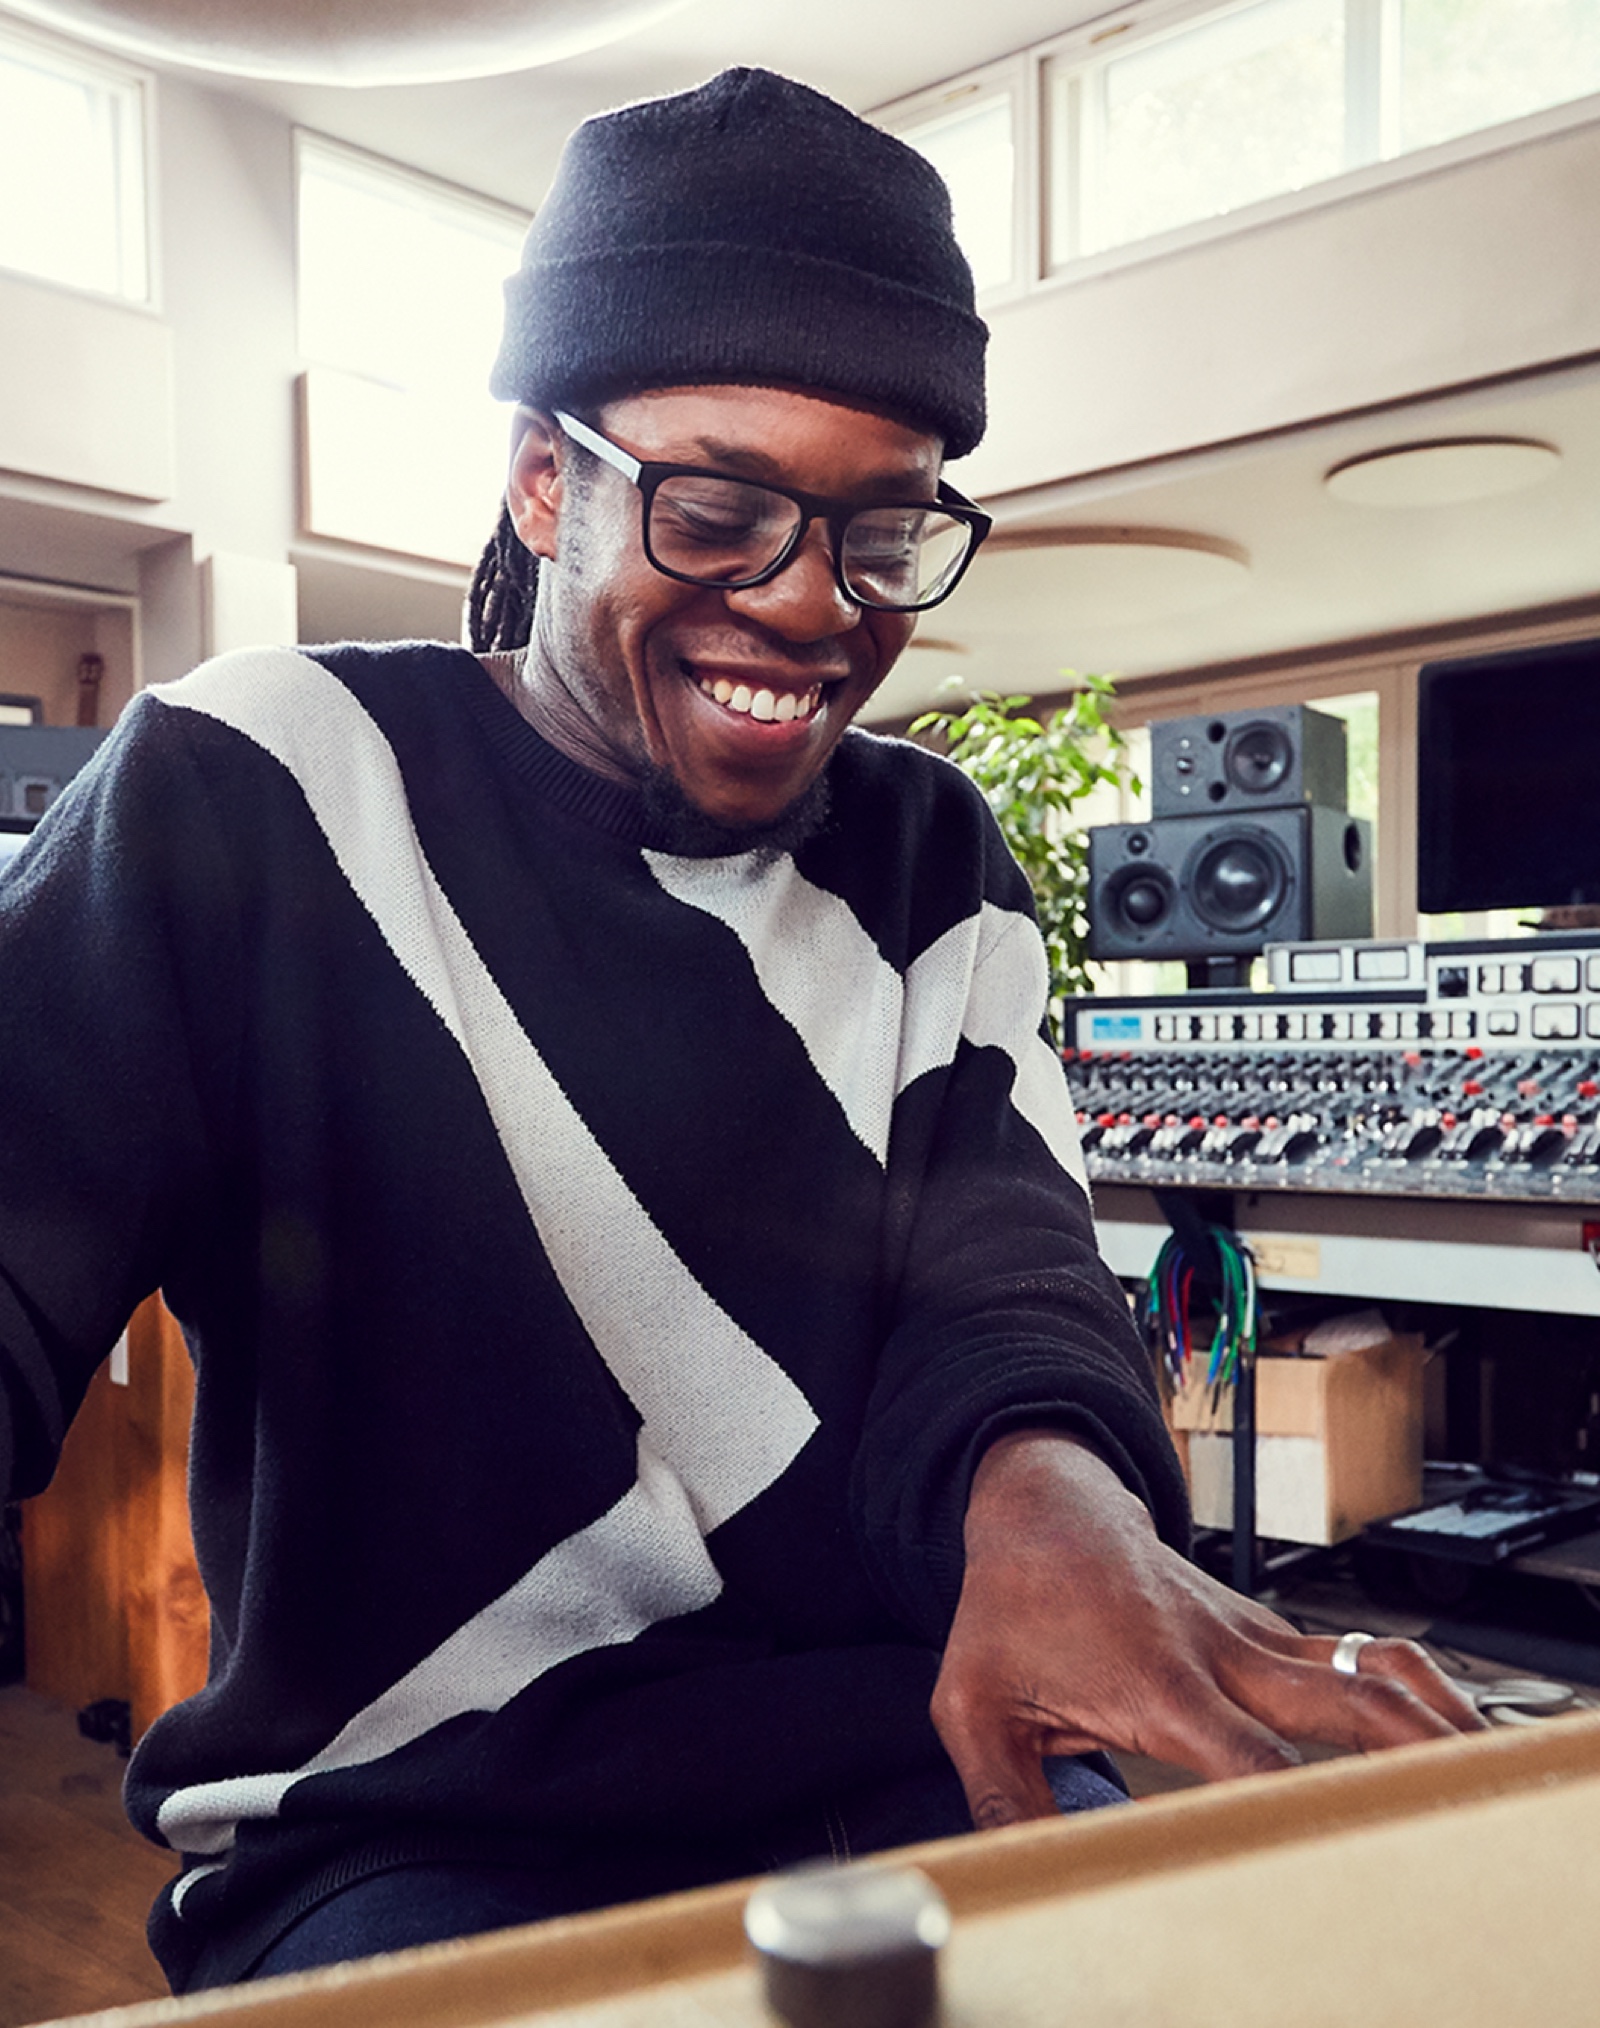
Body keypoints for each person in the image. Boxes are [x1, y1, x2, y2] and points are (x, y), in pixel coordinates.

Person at [0, 67, 1480, 1995]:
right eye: (716, 513)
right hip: (411, 1828)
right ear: (546, 478)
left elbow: (1000, 1275)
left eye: (877, 534)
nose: (805, 609)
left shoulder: (928, 846)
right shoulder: (261, 785)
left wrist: (1056, 1514)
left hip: (928, 1750)